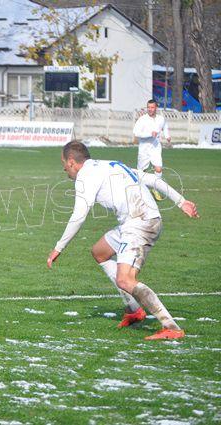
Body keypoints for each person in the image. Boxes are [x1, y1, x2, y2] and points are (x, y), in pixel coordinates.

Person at [47, 141, 199, 340]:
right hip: (136, 221)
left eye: (64, 164)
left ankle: (171, 327)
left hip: (140, 223)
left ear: (71, 162)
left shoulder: (85, 176)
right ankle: (134, 310)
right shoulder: (110, 164)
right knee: (100, 252)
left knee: (125, 279)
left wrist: (58, 247)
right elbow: (152, 179)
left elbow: (79, 215)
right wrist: (181, 201)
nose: (64, 169)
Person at [133, 99, 171, 200]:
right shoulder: (142, 119)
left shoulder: (161, 119)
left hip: (155, 148)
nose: (150, 109)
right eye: (148, 107)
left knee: (158, 169)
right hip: (144, 149)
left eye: (152, 107)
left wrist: (167, 135)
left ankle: (155, 189)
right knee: (142, 172)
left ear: (156, 108)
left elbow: (165, 126)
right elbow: (136, 132)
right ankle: (139, 191)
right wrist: (149, 134)